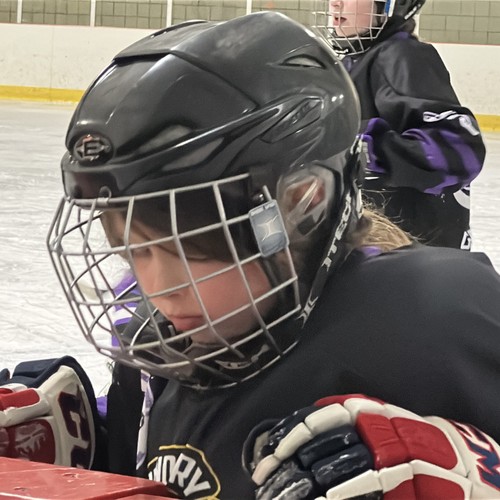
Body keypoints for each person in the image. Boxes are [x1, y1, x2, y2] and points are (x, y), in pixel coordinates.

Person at [1, 11, 500, 499]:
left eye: (192, 247)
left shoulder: (436, 322)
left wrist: (476, 471)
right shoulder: (159, 340)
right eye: (135, 252)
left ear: (303, 205)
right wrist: (87, 437)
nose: (161, 289)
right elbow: (179, 447)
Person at [312, 0, 486, 249]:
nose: (335, 3)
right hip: (390, 254)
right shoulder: (356, 61)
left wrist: (364, 146)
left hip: (415, 259)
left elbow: (459, 150)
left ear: (390, 5)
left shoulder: (401, 56)